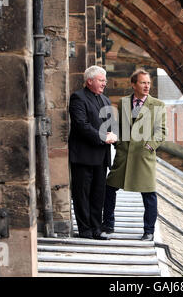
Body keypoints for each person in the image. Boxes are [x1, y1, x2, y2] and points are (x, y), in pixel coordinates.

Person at [102, 69, 167, 241]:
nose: (147, 86)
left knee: (149, 194)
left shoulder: (158, 105)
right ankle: (108, 225)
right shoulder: (124, 102)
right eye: (143, 83)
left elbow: (161, 131)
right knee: (110, 188)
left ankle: (148, 231)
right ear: (133, 84)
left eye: (148, 83)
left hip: (144, 156)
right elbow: (120, 128)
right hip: (124, 155)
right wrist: (117, 143)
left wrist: (150, 146)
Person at [68, 65, 117, 240]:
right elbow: (81, 125)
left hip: (101, 156)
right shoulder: (77, 98)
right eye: (101, 80)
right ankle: (85, 230)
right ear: (90, 81)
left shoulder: (106, 100)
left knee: (98, 194)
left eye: (105, 80)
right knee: (82, 194)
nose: (104, 83)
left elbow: (109, 125)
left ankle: (97, 228)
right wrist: (104, 136)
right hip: (83, 155)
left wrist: (113, 134)